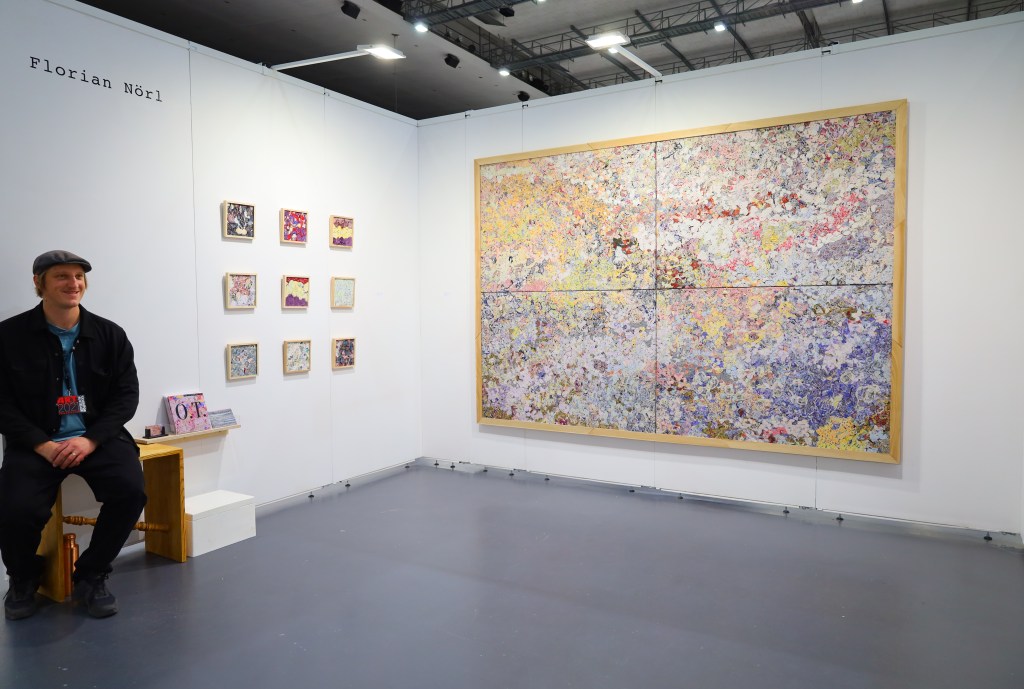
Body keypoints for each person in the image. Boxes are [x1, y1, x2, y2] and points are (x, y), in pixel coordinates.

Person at [0, 250, 146, 620]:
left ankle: (92, 574)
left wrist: (90, 439)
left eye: (78, 276)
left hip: (96, 437)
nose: (73, 283)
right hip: (36, 442)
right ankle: (23, 577)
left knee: (130, 492)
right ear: (39, 283)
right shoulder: (8, 336)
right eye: (62, 276)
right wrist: (42, 445)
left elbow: (126, 396)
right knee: (15, 508)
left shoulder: (110, 334)